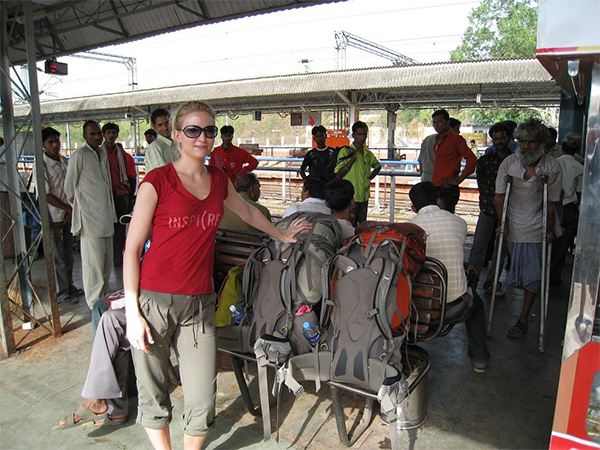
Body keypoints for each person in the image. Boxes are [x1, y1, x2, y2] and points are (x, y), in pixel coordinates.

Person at [123, 101, 309, 450]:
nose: (203, 137)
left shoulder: (220, 180)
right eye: (193, 130)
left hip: (200, 302)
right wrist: (133, 314)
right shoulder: (157, 182)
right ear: (177, 135)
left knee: (202, 396)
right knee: (153, 389)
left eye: (209, 130)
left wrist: (281, 234)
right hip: (154, 300)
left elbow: (250, 214)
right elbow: (132, 249)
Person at [409, 181, 489, 373]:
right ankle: (480, 359)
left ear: (413, 207)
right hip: (454, 308)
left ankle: (408, 350)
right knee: (477, 306)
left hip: (418, 308)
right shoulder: (458, 222)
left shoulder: (409, 228)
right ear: (438, 200)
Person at [494, 119, 562, 338]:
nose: (525, 147)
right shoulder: (510, 164)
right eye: (521, 142)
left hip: (537, 227)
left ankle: (523, 319)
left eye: (531, 142)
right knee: (518, 273)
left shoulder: (551, 166)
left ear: (541, 143)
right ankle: (521, 315)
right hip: (513, 224)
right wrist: (502, 224)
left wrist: (549, 230)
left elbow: (551, 204)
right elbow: (499, 198)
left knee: (533, 277)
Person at [65, 121, 116, 309]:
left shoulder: (102, 153)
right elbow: (69, 188)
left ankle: (102, 301)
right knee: (93, 266)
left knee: (105, 265)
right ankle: (94, 305)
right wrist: (81, 209)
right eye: (93, 134)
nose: (97, 137)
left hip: (106, 217)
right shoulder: (79, 155)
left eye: (99, 133)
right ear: (85, 136)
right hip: (89, 220)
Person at [35, 127, 82, 304]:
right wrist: (67, 208)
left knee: (68, 254)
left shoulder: (64, 161)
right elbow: (45, 195)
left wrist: (71, 209)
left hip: (68, 215)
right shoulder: (41, 165)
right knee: (59, 257)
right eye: (50, 142)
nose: (55, 145)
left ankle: (69, 286)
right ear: (43, 145)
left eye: (57, 141)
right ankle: (62, 293)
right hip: (54, 217)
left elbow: (72, 187)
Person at [469, 122, 512, 297]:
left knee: (501, 250)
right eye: (496, 138)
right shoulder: (485, 161)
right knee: (478, 247)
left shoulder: (515, 161)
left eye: (502, 138)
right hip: (487, 209)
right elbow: (482, 185)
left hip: (508, 213)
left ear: (509, 138)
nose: (499, 141)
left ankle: (492, 283)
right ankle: (471, 282)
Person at [550, 133, 584, 285]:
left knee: (549, 239)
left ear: (562, 147)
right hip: (568, 207)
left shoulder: (554, 163)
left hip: (553, 205)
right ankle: (554, 276)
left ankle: (543, 274)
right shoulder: (580, 167)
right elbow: (579, 191)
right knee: (562, 244)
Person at [334, 121, 381, 225]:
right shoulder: (346, 152)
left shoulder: (368, 153)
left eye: (364, 134)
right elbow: (338, 174)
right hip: (351, 197)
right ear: (353, 135)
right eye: (359, 134)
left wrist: (369, 178)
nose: (362, 137)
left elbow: (377, 166)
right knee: (350, 225)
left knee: (362, 225)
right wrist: (352, 160)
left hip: (364, 195)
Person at [430, 109, 477, 214]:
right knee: (438, 217)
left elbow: (472, 159)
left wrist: (459, 179)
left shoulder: (456, 139)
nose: (436, 125)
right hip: (436, 185)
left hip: (447, 187)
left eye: (440, 122)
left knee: (444, 218)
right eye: (434, 122)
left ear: (447, 122)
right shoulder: (437, 139)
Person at [101, 123, 131, 267]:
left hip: (121, 193)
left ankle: (118, 259)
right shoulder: (100, 153)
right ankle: (109, 258)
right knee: (108, 226)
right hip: (106, 194)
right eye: (108, 132)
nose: (111, 135)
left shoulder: (120, 152)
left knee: (120, 227)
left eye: (114, 132)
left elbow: (128, 170)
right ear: (104, 135)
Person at [145, 108, 178, 173]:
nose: (165, 127)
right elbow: (162, 175)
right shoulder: (155, 147)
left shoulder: (175, 144)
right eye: (160, 125)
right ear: (154, 127)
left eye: (167, 123)